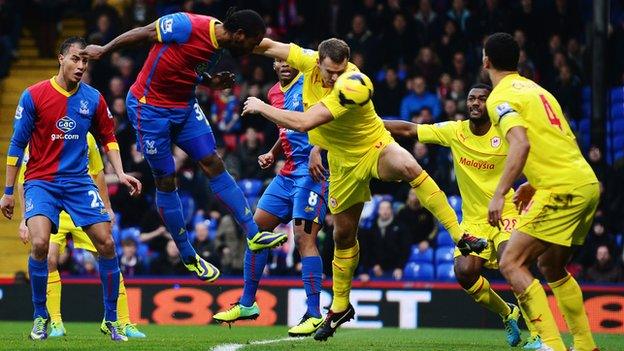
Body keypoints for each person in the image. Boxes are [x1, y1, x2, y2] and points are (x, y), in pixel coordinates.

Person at [247, 37, 485, 341]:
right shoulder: (306, 61)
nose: (336, 77)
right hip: (343, 164)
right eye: (331, 72)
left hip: (373, 147)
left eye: (341, 70)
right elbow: (267, 46)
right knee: (343, 236)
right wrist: (233, 39)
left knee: (411, 167)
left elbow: (305, 122)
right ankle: (341, 306)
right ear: (317, 62)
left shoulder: (353, 84)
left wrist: (261, 107)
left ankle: (459, 235)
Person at [81, 8, 286, 282]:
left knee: (212, 161)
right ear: (239, 35)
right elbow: (144, 33)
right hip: (149, 108)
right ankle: (188, 254)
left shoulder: (220, 46)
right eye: (254, 41)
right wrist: (104, 49)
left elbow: (186, 66)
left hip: (185, 107)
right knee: (167, 181)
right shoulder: (186, 25)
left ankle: (254, 232)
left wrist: (209, 82)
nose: (254, 48)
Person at [0, 37, 141, 341]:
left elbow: (109, 139)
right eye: (75, 59)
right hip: (41, 181)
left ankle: (112, 319)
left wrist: (120, 172)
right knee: (39, 244)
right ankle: (41, 316)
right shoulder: (34, 95)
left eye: (85, 61)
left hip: (78, 183)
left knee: (106, 242)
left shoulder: (93, 98)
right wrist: (8, 191)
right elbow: (16, 144)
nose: (80, 66)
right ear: (60, 58)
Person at [384, 84, 539, 348]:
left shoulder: (507, 133)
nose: (476, 103)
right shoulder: (456, 131)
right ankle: (507, 312)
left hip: (506, 212)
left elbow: (534, 159)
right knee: (465, 272)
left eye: (482, 99)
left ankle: (538, 332)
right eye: (471, 99)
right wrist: (369, 122)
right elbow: (410, 129)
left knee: (511, 263)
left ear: (491, 104)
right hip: (474, 220)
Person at [484, 32, 600, 351]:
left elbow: (521, 143)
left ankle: (550, 345)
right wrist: (531, 183)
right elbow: (561, 141)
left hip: (561, 189)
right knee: (551, 265)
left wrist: (500, 194)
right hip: (585, 184)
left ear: (486, 62)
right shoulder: (539, 91)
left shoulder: (500, 97)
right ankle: (585, 345)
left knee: (511, 263)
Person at [213, 58, 328, 337]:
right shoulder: (275, 93)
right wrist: (273, 153)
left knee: (304, 239)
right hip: (287, 173)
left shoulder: (312, 85)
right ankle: (248, 303)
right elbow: (286, 127)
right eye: (279, 61)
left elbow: (330, 119)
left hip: (312, 173)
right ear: (274, 67)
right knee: (256, 232)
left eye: (289, 60)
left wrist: (319, 148)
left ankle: (314, 314)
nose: (285, 64)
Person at [16, 133, 145, 338]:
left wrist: (107, 207)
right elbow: (23, 181)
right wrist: (24, 218)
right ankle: (55, 322)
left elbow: (98, 173)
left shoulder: (86, 136)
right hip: (52, 208)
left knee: (106, 253)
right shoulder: (38, 136)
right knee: (49, 258)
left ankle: (122, 320)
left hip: (81, 205)